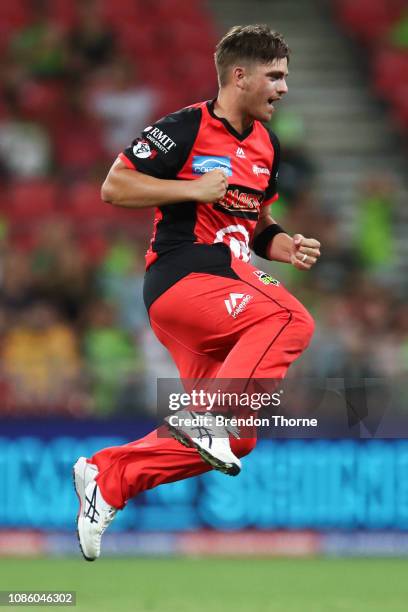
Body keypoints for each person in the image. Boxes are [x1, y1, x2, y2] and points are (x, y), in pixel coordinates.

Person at [73, 24, 321, 561]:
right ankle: (206, 415)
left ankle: (110, 474)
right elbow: (114, 186)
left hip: (217, 293)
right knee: (290, 320)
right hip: (187, 273)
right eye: (274, 76)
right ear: (239, 75)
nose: (282, 88)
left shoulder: (266, 145)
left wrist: (285, 245)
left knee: (236, 440)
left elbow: (255, 223)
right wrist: (190, 188)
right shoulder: (185, 127)